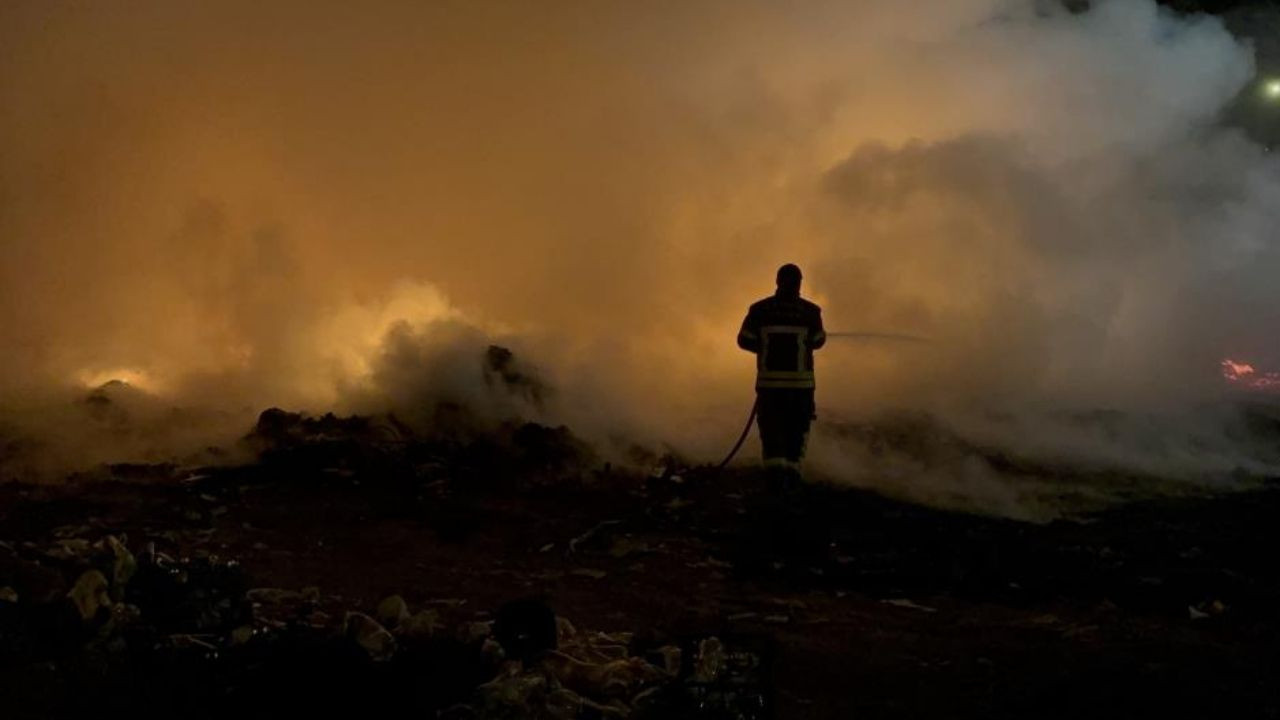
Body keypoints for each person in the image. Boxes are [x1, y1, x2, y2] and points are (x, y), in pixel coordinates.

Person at [736, 263, 826, 486]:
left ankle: (774, 481)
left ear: (777, 281)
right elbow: (818, 341)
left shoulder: (759, 310)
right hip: (801, 389)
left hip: (770, 387)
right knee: (796, 431)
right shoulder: (811, 312)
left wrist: (765, 347)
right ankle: (792, 478)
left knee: (772, 431)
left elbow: (744, 340)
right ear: (799, 283)